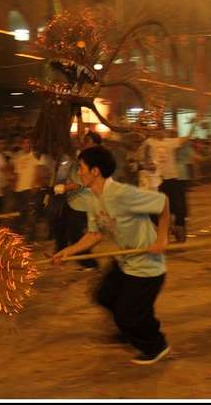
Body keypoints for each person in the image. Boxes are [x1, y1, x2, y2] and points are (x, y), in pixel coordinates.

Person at [53, 145, 171, 365]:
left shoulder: (122, 193)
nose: (79, 172)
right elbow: (94, 234)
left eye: (81, 168)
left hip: (146, 266)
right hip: (124, 262)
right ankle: (131, 328)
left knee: (129, 315)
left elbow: (163, 202)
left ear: (95, 171)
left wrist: (162, 239)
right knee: (104, 296)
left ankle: (156, 346)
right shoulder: (92, 197)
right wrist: (67, 251)